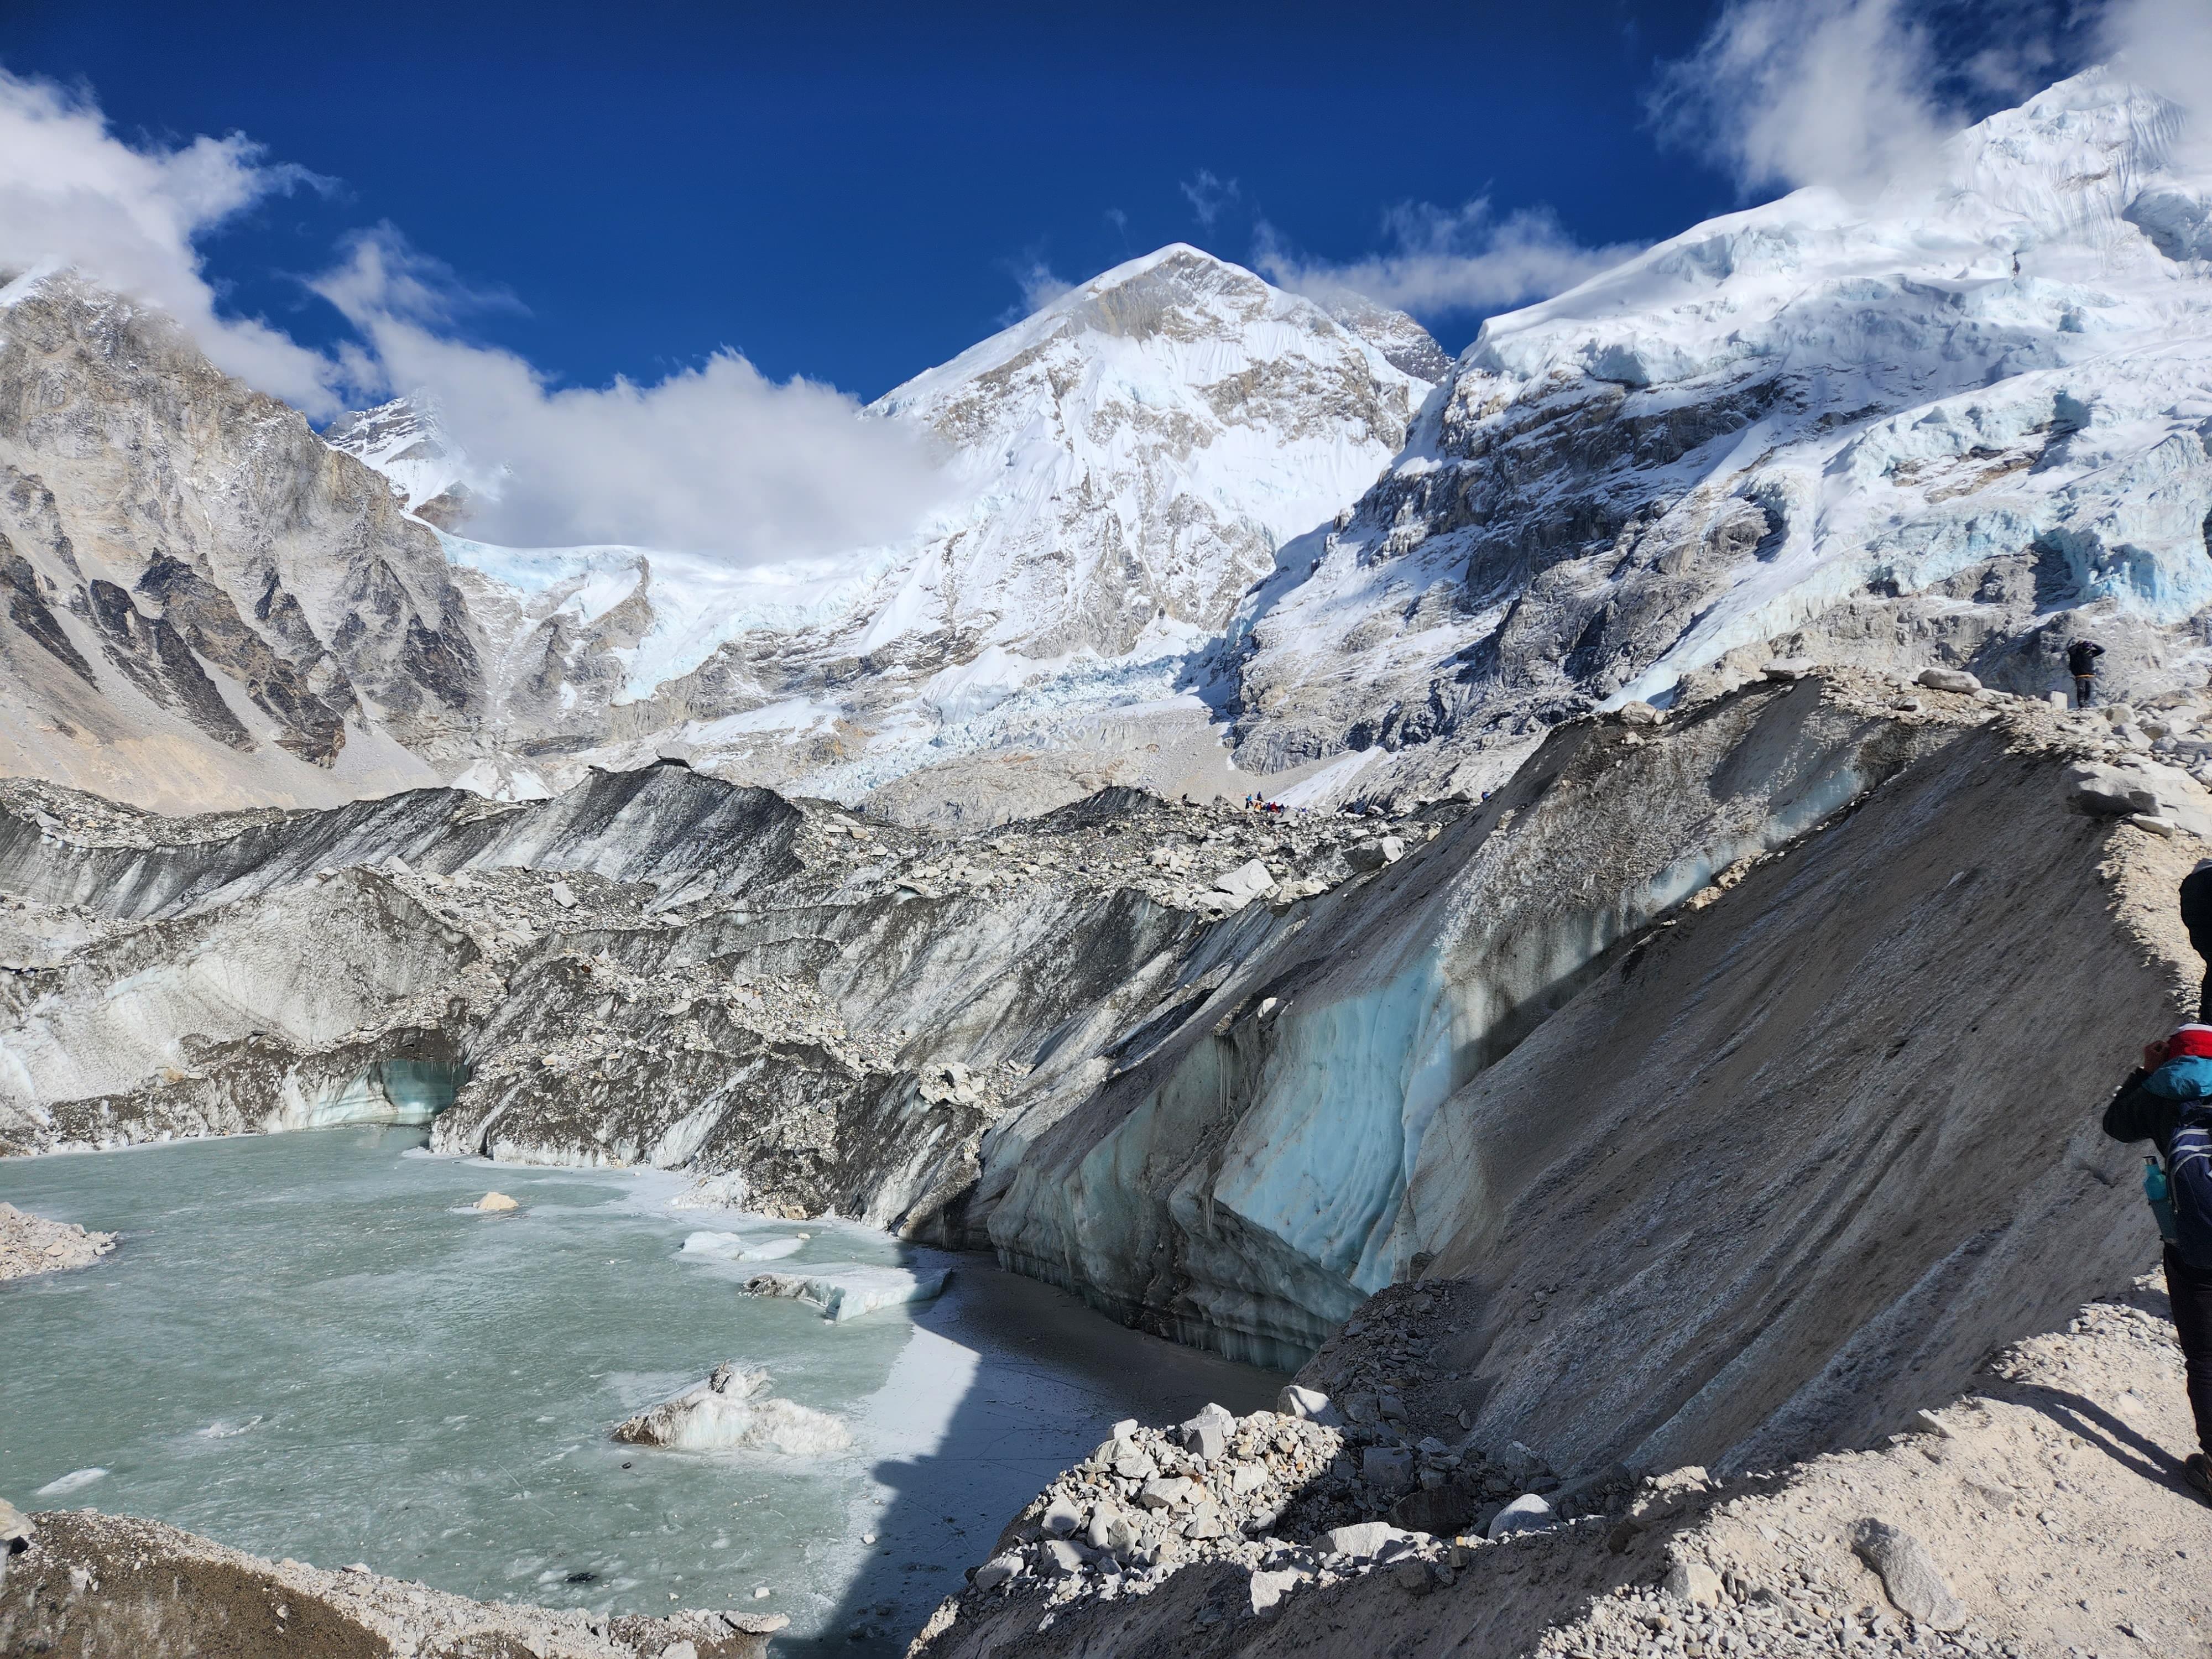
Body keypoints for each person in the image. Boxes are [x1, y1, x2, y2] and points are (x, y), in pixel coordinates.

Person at [2104, 875, 2212, 1506]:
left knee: (2205, 1354)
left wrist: (2142, 1077)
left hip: (2193, 1245)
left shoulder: (2158, 1100)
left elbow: (2115, 1126)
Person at [2067, 637, 2106, 707]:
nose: (2088, 648)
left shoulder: (2090, 653)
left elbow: (2102, 650)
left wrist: (2093, 644)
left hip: (2090, 675)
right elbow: (2070, 650)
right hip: (2080, 675)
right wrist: (2078, 644)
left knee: (2089, 690)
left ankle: (2086, 703)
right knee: (2081, 690)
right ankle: (2081, 704)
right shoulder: (2076, 654)